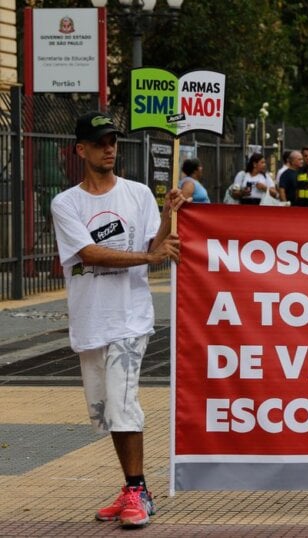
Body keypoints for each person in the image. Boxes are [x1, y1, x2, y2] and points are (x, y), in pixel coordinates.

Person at [50, 111, 185, 528]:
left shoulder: (138, 193)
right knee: (106, 410)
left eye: (114, 141)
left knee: (124, 404)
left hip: (129, 318)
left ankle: (138, 490)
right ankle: (130, 487)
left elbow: (156, 245)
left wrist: (167, 214)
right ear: (81, 150)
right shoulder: (66, 203)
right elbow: (89, 253)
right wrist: (149, 256)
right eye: (100, 142)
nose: (110, 148)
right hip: (91, 322)